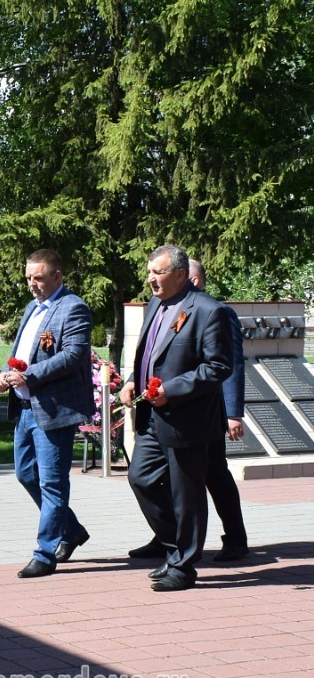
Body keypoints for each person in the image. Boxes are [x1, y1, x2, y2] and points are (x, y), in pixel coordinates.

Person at [119, 245, 233, 591]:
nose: (150, 279)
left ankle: (183, 567)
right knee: (140, 479)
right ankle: (175, 549)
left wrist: (172, 389)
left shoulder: (209, 311)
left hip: (188, 420)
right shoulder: (156, 305)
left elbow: (218, 367)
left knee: (187, 495)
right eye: (149, 272)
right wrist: (132, 381)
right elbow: (149, 355)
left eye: (158, 272)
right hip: (151, 417)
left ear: (181, 275)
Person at [0, 250, 95, 579]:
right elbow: (19, 354)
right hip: (25, 409)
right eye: (28, 277)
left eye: (38, 277)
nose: (32, 284)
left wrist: (30, 376)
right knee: (26, 475)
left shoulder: (73, 307)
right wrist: (5, 374)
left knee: (52, 483)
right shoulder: (32, 308)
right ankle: (72, 531)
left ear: (57, 276)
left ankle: (45, 553)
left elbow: (73, 355)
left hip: (54, 410)